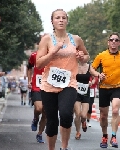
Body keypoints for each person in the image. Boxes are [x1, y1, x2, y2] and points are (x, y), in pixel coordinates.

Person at [36, 9, 90, 150]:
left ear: (67, 21)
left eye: (63, 18)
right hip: (49, 84)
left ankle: (64, 147)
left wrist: (81, 57)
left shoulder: (76, 39)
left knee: (66, 114)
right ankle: (51, 148)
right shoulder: (47, 39)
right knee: (52, 120)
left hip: (69, 83)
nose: (61, 20)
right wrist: (52, 52)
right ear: (52, 21)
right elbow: (39, 63)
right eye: (57, 18)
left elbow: (86, 57)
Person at [92, 32, 120, 148]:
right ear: (108, 42)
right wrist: (98, 74)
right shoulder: (101, 55)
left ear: (119, 43)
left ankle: (114, 137)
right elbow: (92, 69)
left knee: (115, 111)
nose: (114, 42)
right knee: (103, 116)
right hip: (104, 88)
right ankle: (105, 136)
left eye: (116, 40)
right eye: (111, 40)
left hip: (117, 88)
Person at [74, 62, 103, 140]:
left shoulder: (89, 67)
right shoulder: (74, 65)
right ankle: (78, 132)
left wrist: (92, 82)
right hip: (76, 93)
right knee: (77, 114)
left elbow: (94, 77)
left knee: (83, 115)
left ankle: (84, 121)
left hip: (86, 93)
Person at [27, 50, 46, 143]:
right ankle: (35, 118)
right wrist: (29, 80)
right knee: (39, 109)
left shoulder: (54, 55)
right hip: (37, 86)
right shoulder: (34, 55)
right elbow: (29, 67)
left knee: (45, 113)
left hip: (49, 87)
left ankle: (40, 133)